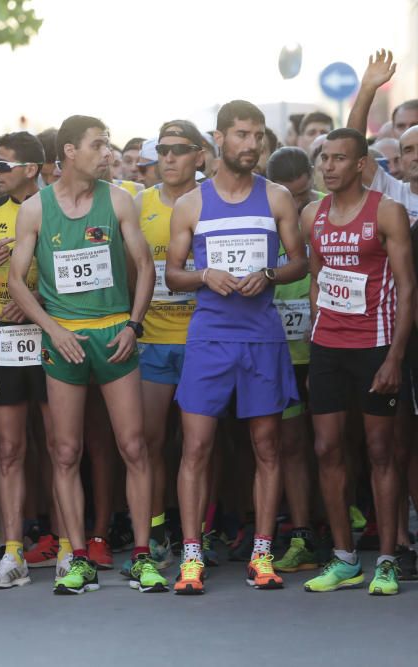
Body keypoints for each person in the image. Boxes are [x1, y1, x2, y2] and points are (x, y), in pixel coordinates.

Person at [8, 115, 165, 595]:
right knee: (65, 450)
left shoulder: (118, 199)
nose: (108, 153)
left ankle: (142, 555)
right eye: (99, 145)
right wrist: (53, 330)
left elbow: (144, 267)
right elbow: (16, 280)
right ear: (70, 152)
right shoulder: (35, 209)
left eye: (109, 145)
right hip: (65, 339)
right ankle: (76, 558)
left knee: (134, 446)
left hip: (113, 331)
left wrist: (133, 326)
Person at [164, 100, 307, 594]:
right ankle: (190, 556)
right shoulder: (192, 203)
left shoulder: (278, 197)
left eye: (258, 135)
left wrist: (268, 273)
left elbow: (299, 262)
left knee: (267, 446)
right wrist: (205, 275)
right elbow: (173, 274)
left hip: (262, 336)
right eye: (242, 134)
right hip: (210, 336)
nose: (251, 144)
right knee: (196, 447)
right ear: (219, 140)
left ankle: (262, 554)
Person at [300, 129, 414, 596]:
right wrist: (315, 332)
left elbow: (408, 287)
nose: (328, 167)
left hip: (375, 347)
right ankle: (345, 558)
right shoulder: (313, 214)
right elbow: (315, 278)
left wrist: (395, 358)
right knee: (327, 449)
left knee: (380, 452)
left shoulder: (388, 212)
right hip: (328, 347)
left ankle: (386, 559)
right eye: (324, 158)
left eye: (339, 159)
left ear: (362, 164)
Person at [0, 132, 47, 589]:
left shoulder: (56, 207)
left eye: (4, 166)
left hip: (53, 336)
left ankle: (67, 546)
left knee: (60, 448)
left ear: (31, 170)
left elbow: (81, 278)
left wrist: (35, 299)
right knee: (7, 449)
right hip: (4, 338)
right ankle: (12, 549)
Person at [134, 120, 204, 571]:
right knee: (151, 442)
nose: (170, 157)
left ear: (199, 154)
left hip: (204, 340)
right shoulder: (138, 204)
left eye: (180, 148)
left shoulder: (214, 201)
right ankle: (157, 531)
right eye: (163, 149)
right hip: (154, 340)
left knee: (201, 447)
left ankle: (201, 533)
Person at [265, 146, 321, 574]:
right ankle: (300, 533)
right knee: (289, 444)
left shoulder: (327, 211)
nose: (299, 208)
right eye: (292, 199)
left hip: (324, 347)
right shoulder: (264, 216)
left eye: (305, 198)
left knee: (334, 444)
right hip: (277, 348)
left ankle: (353, 529)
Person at [347, 50, 418, 224]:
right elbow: (351, 146)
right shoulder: (393, 192)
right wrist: (367, 89)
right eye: (408, 150)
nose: (416, 157)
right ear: (401, 159)